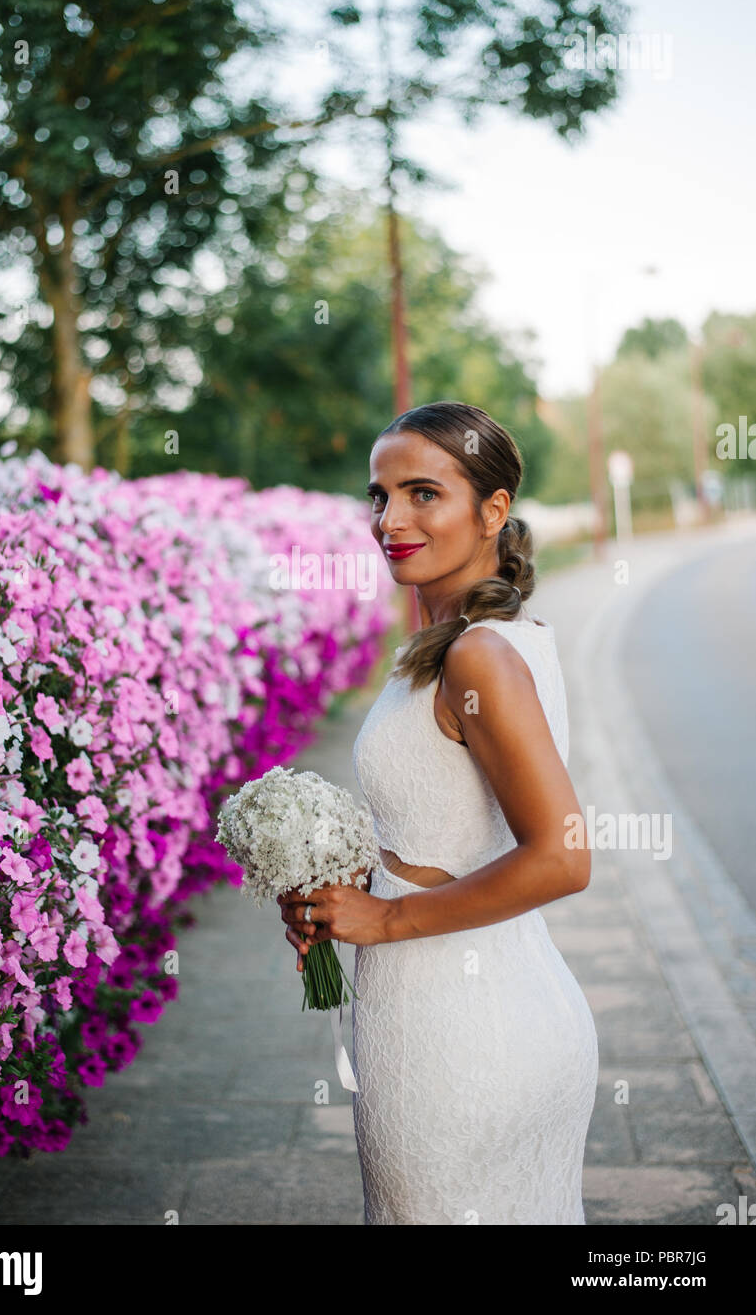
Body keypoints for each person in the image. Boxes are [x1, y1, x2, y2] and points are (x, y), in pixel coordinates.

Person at [279, 400, 598, 1225]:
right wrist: (341, 885)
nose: (391, 519)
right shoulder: (470, 639)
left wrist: (384, 920)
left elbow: (562, 857)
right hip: (453, 1007)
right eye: (380, 497)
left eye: (423, 493)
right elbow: (455, 828)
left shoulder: (477, 654)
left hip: (464, 1037)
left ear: (493, 509)